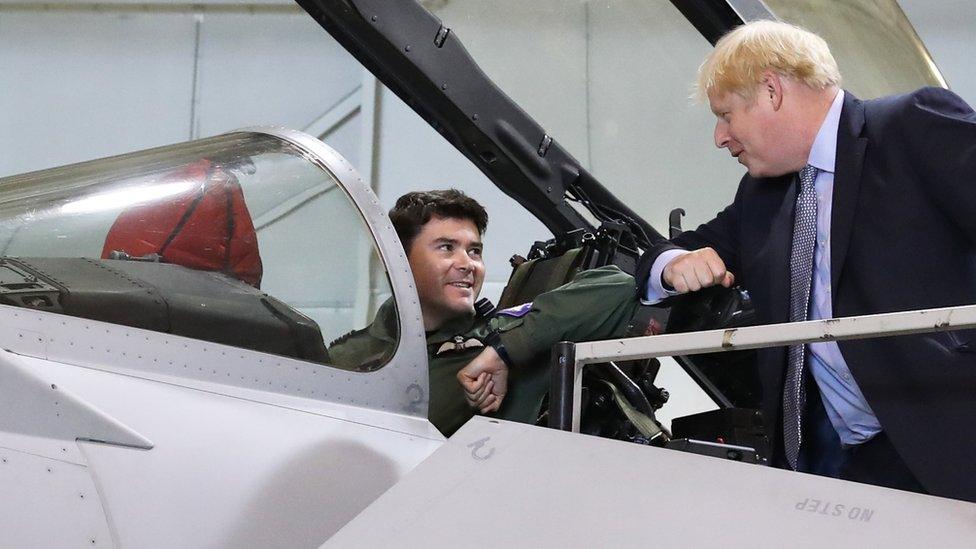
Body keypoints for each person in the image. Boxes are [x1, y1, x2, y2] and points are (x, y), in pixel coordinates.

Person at [638, 20, 976, 502]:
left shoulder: (912, 123)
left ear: (772, 91)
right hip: (834, 468)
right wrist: (673, 264)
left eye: (726, 115)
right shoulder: (762, 192)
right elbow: (669, 253)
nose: (720, 136)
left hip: (950, 447)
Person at [330, 189, 638, 436]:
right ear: (398, 261)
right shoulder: (345, 355)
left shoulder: (501, 338)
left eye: (474, 251)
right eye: (446, 247)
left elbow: (618, 287)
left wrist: (502, 352)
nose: (467, 264)